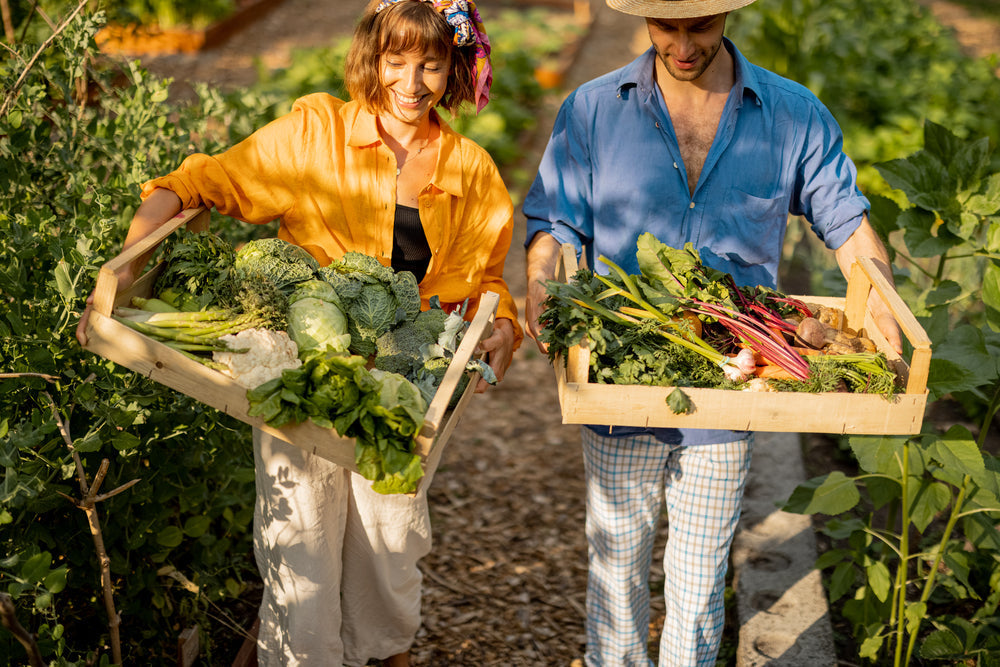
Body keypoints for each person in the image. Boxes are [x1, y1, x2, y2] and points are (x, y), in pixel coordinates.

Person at [77, 1, 522, 664]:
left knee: (391, 536)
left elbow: (487, 281)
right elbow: (197, 184)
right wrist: (120, 269)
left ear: (454, 64)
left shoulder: (473, 170)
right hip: (300, 371)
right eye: (395, 59)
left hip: (402, 383)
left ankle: (383, 648)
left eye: (430, 62)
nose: (411, 80)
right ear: (371, 57)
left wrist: (503, 328)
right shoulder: (316, 133)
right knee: (301, 535)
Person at [523, 0, 902, 665]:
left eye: (699, 26)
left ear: (727, 13)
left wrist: (883, 301)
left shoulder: (790, 113)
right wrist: (540, 280)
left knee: (698, 587)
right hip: (623, 372)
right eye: (665, 27)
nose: (682, 44)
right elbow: (556, 218)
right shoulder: (592, 109)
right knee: (617, 568)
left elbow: (845, 219)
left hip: (734, 386)